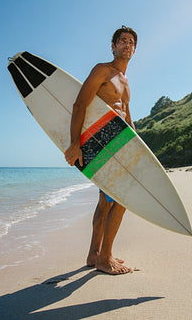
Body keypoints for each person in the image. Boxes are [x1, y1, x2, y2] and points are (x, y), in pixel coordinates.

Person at [64, 26, 137, 275]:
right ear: (113, 46)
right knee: (123, 197)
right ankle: (105, 258)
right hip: (102, 139)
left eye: (131, 42)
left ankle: (94, 254)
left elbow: (127, 117)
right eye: (122, 41)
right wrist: (75, 143)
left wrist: (137, 147)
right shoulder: (102, 70)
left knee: (105, 202)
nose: (127, 45)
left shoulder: (125, 82)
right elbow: (79, 104)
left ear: (134, 49)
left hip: (119, 142)